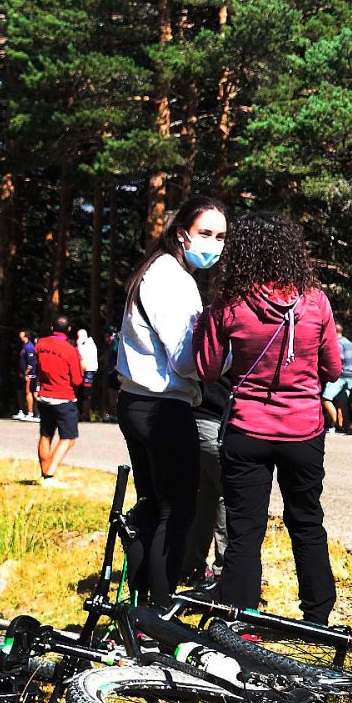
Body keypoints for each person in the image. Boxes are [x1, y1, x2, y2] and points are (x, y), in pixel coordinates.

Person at [194, 212, 341, 625]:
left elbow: (206, 370)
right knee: (307, 521)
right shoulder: (316, 302)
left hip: (247, 429)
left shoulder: (229, 305)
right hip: (303, 430)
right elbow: (331, 369)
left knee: (245, 530)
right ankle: (317, 617)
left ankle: (242, 620)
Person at [115, 195, 227, 605]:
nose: (213, 243)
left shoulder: (163, 272)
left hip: (140, 403)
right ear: (182, 233)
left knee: (151, 504)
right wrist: (226, 357)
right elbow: (185, 358)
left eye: (220, 236)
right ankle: (157, 608)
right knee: (176, 509)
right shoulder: (171, 280)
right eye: (205, 233)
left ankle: (141, 605)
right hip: (163, 406)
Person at [182, 379, 231, 584]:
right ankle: (224, 570)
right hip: (212, 421)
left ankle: (191, 566)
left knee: (206, 497)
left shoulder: (199, 345)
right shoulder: (227, 347)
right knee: (229, 496)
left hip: (195, 419)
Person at [33, 316, 84, 488]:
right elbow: (77, 380)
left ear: (52, 328)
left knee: (46, 435)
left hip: (44, 396)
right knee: (68, 438)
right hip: (63, 398)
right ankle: (49, 474)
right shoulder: (70, 350)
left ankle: (43, 472)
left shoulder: (40, 344)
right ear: (69, 330)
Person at [322, 323, 352, 434]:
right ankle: (344, 427)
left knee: (326, 399)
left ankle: (333, 423)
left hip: (340, 376)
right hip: (350, 376)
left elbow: (336, 358)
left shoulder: (337, 343)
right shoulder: (349, 343)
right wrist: (351, 367)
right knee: (342, 403)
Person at [13, 330, 38, 422]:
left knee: (29, 392)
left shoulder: (30, 347)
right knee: (20, 391)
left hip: (29, 375)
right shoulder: (23, 346)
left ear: (26, 335)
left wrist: (26, 373)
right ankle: (21, 411)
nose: (20, 336)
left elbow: (32, 363)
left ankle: (31, 413)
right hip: (22, 373)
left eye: (22, 335)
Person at [77, 328, 100, 421]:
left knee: (86, 393)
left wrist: (78, 344)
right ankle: (84, 413)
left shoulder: (86, 344)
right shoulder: (89, 343)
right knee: (84, 393)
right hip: (89, 370)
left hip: (88, 371)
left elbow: (81, 357)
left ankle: (85, 414)